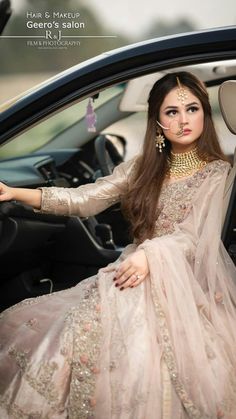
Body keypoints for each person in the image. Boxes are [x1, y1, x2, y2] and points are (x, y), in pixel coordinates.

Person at [0, 71, 236, 419]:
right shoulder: (141, 168)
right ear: (157, 120)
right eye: (172, 112)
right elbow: (85, 199)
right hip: (131, 270)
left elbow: (194, 235)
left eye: (192, 109)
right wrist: (15, 193)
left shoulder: (217, 172)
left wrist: (150, 256)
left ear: (205, 113)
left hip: (183, 281)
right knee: (68, 335)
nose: (184, 120)